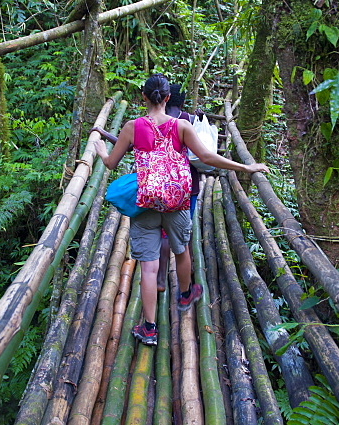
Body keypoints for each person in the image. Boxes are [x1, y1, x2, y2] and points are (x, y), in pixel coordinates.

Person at [93, 74, 268, 346]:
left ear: (143, 97)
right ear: (166, 98)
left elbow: (111, 164)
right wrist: (247, 167)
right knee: (181, 249)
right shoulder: (182, 126)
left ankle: (149, 328)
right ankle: (186, 295)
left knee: (149, 267)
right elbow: (208, 157)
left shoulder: (132, 127)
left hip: (147, 201)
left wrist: (100, 149)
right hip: (177, 201)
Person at [157, 82, 200, 292]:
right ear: (182, 101)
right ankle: (187, 282)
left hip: (161, 186)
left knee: (164, 233)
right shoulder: (189, 121)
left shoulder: (155, 122)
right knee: (183, 234)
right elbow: (204, 153)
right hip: (186, 187)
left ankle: (160, 278)